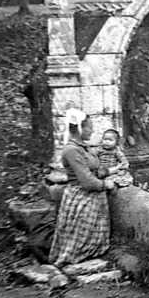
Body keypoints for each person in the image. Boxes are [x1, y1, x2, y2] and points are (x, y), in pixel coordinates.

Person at [49, 109, 116, 268]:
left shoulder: (83, 147)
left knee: (91, 244)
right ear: (79, 128)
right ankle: (73, 264)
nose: (92, 131)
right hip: (81, 198)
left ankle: (87, 257)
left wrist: (110, 172)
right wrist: (104, 184)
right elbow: (86, 181)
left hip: (92, 198)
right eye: (89, 127)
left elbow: (94, 168)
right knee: (77, 244)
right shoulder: (72, 150)